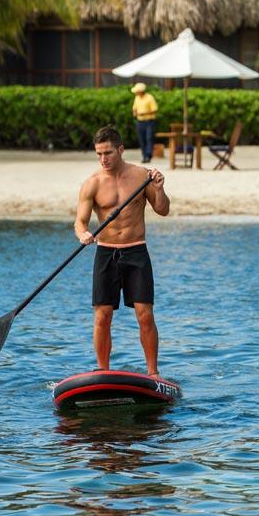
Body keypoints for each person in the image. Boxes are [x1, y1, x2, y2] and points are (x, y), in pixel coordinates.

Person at [75, 126, 170, 377]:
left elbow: (163, 210)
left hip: (136, 251)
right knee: (102, 316)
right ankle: (102, 371)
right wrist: (83, 234)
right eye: (98, 154)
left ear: (120, 149)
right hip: (106, 253)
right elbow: (80, 221)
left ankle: (153, 373)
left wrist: (159, 189)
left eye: (108, 153)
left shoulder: (142, 176)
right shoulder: (92, 184)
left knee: (145, 314)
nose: (103, 159)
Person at [131, 82, 158, 163]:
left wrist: (144, 113)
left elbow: (154, 110)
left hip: (149, 121)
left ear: (141, 91)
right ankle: (144, 156)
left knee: (149, 138)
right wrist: (134, 112)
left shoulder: (150, 97)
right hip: (140, 121)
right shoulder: (137, 98)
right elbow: (134, 108)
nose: (136, 92)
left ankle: (149, 155)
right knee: (141, 139)